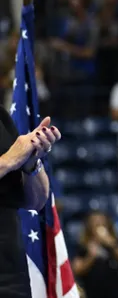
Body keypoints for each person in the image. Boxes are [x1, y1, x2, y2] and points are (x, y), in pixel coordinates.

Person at [0, 113, 62, 298]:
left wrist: (31, 163)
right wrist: (9, 160)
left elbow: (37, 201)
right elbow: (11, 160)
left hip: (11, 276)